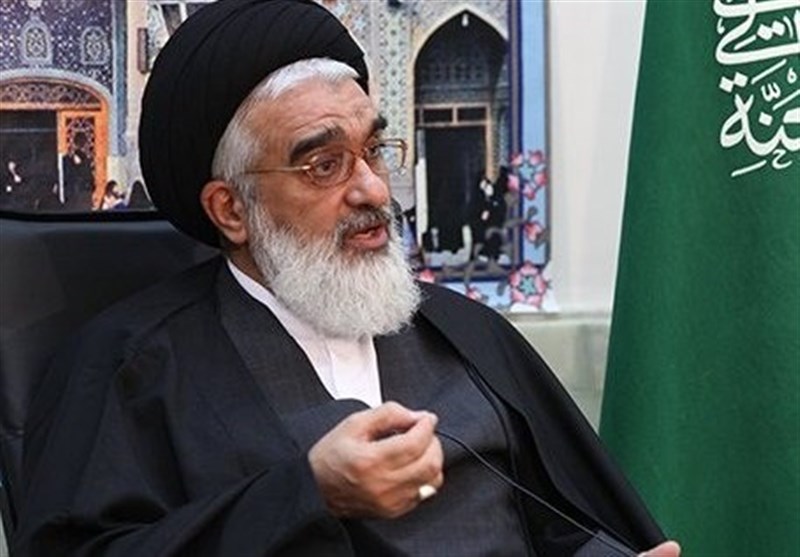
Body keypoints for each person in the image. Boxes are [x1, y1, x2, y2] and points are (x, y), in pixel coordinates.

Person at [13, 1, 680, 556]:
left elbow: (560, 525)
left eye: (374, 151)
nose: (372, 190)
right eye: (324, 165)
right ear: (231, 210)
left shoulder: (467, 335)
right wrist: (307, 493)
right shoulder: (133, 366)